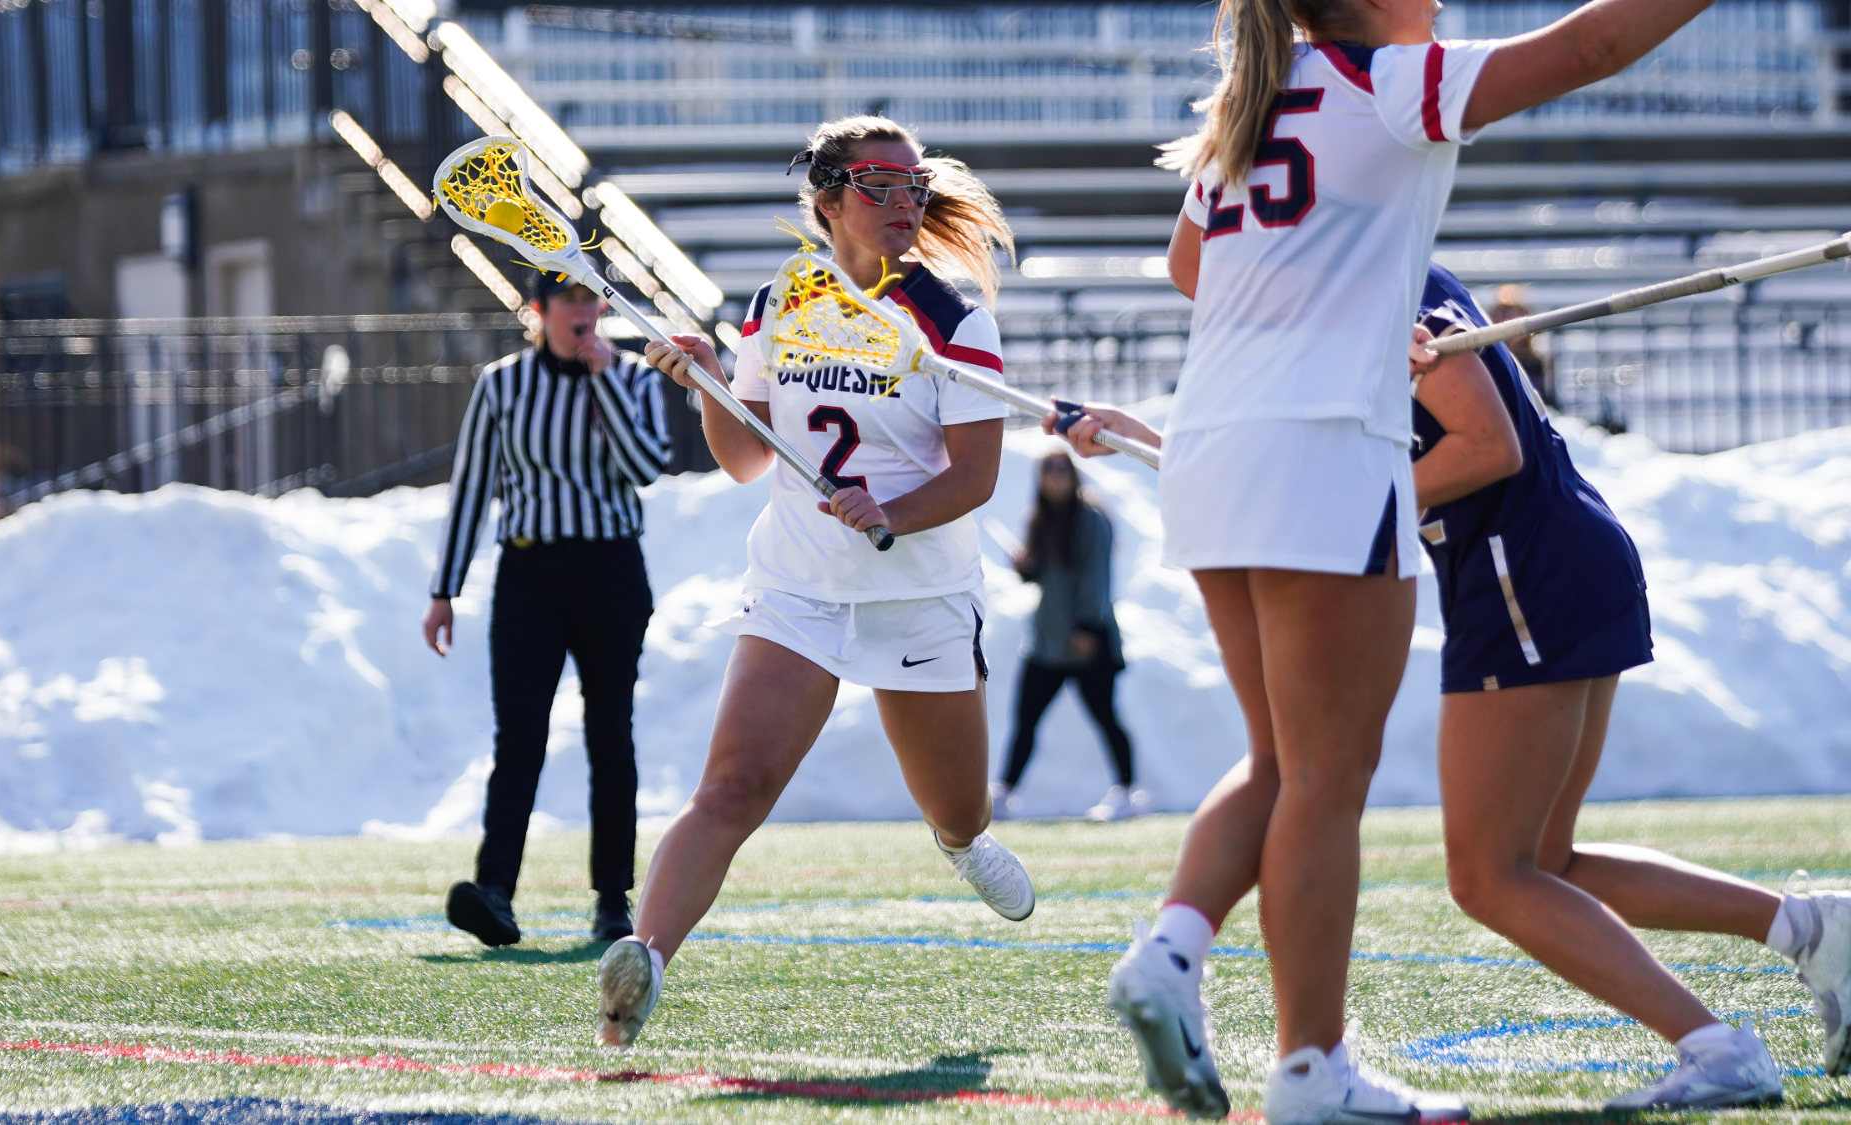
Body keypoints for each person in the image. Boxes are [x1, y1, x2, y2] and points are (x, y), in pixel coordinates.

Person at [1045, 0, 1737, 1119]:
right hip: (1325, 451)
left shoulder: (1249, 106)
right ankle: (1308, 1067)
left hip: (1212, 444)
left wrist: (1337, 294)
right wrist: (1350, 312)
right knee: (1323, 778)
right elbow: (1592, 45)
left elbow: (1191, 267)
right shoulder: (1390, 80)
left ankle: (1173, 949)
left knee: (1275, 758)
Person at [595, 114, 1034, 1048]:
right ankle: (644, 956)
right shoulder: (777, 305)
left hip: (918, 592)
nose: (905, 203)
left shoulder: (955, 318)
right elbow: (748, 461)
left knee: (956, 808)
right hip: (798, 586)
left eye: (914, 186)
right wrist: (709, 379)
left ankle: (963, 844)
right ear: (829, 196)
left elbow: (976, 475)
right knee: (735, 784)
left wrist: (893, 512)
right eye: (881, 184)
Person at [1409, 261, 1850, 1108]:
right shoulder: (1382, 267)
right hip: (1560, 552)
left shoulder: (1361, 279)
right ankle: (1813, 929)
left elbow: (1487, 446)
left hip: (1519, 572)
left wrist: (1359, 491)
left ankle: (1717, 1048)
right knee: (1546, 859)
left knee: (1488, 873)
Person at [422, 272, 671, 949]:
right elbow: (473, 483)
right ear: (539, 312)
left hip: (610, 567)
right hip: (530, 572)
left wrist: (604, 384)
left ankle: (613, 898)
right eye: (569, 301)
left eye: (592, 300)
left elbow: (647, 464)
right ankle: (495, 889)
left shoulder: (633, 377)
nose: (583, 312)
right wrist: (445, 589)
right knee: (520, 736)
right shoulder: (502, 384)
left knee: (609, 734)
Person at [993, 451, 1143, 822]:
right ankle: (1004, 793)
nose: (1056, 478)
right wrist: (1026, 568)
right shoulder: (1042, 519)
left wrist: (1088, 627)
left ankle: (1127, 792)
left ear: (1074, 476)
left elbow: (1096, 577)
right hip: (1048, 641)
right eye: (1049, 471)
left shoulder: (1091, 519)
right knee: (1026, 717)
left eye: (1063, 470)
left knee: (1105, 716)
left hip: (1086, 641)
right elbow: (1047, 576)